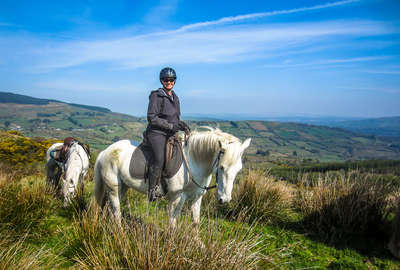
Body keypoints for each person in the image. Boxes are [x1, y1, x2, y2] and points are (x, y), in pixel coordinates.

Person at [145, 67, 190, 201]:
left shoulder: (175, 97)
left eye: (171, 80)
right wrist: (170, 126)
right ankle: (152, 189)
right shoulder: (156, 95)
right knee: (159, 158)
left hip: (170, 133)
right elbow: (152, 117)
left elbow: (174, 118)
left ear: (175, 81)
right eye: (166, 80)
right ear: (161, 81)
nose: (168, 82)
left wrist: (181, 124)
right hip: (156, 133)